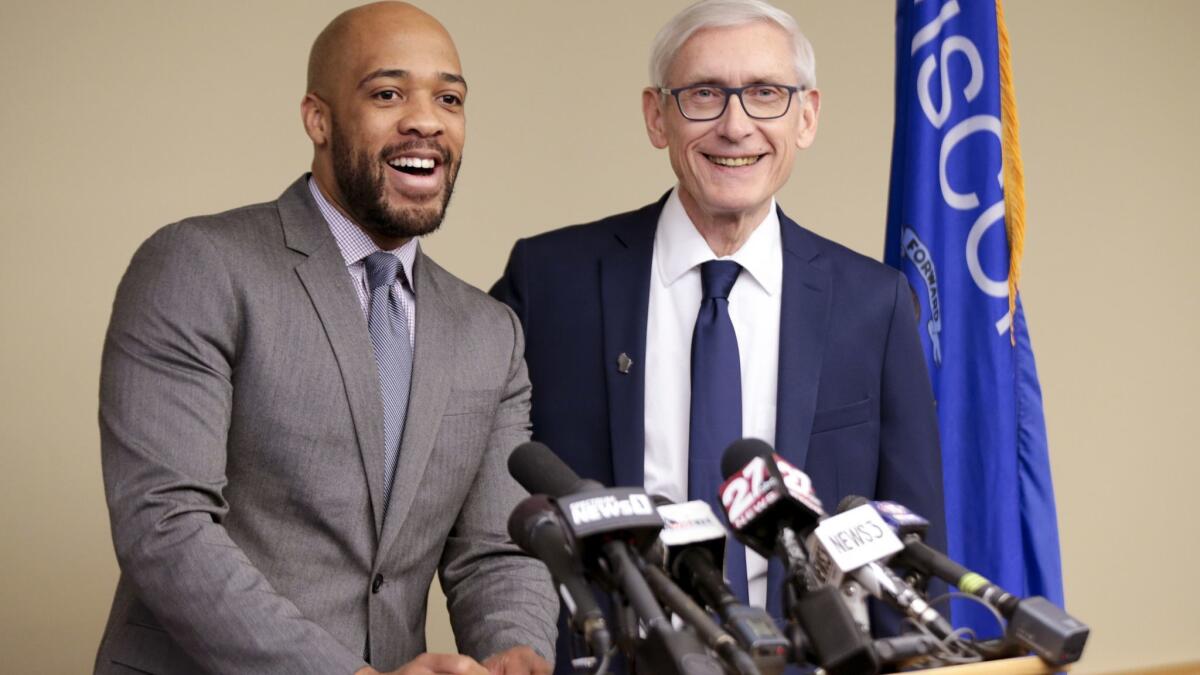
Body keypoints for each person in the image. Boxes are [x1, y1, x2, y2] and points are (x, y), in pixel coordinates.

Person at [95, 3, 555, 674]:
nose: (426, 119)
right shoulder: (197, 264)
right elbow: (165, 526)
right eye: (388, 92)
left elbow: (495, 548)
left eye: (449, 98)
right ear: (318, 118)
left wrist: (516, 651)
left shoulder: (491, 332)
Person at [491, 0, 946, 667]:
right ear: (657, 115)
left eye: (765, 94)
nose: (736, 126)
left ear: (807, 115)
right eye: (705, 94)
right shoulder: (550, 279)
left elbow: (909, 553)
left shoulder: (873, 304)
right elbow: (482, 501)